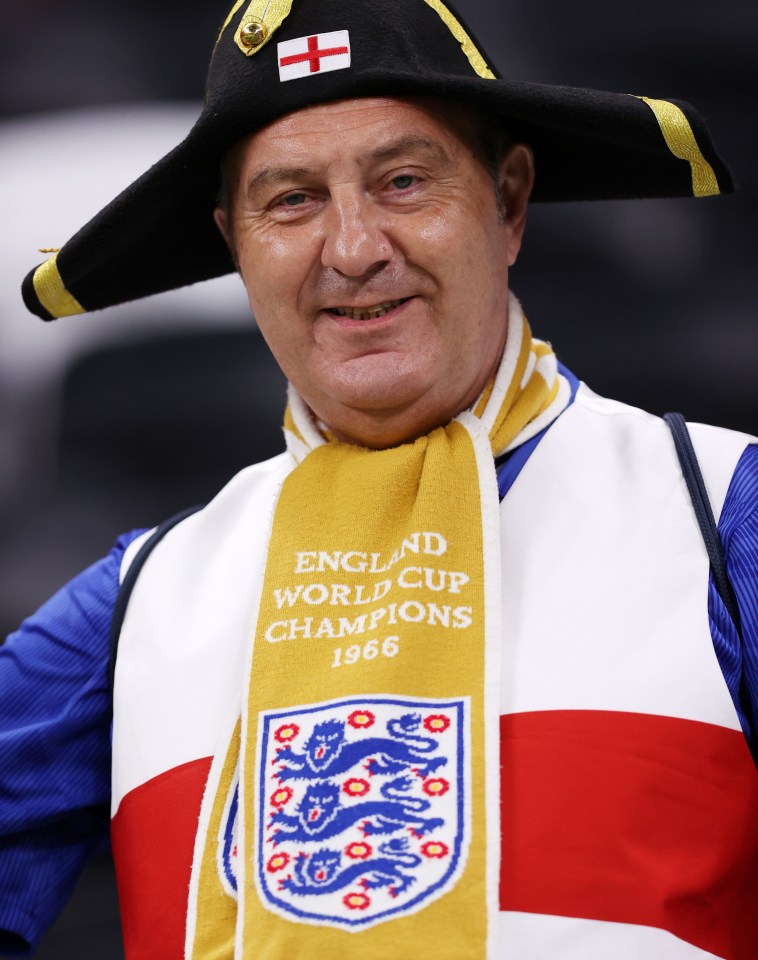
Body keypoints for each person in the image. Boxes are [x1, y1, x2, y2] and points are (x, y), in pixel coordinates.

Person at [2, 0, 757, 958]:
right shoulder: (132, 604)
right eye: (291, 200)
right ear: (236, 244)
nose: (354, 250)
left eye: (403, 182)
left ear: (510, 201)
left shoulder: (726, 511)